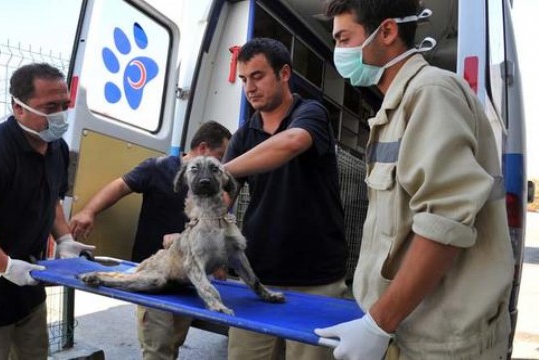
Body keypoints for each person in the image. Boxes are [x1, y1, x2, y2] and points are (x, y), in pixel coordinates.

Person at [314, 1, 514, 359]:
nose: (339, 52)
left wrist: (379, 323)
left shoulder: (430, 93)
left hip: (440, 342)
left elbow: (444, 221)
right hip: (407, 328)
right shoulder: (396, 107)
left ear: (387, 32)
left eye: (344, 39)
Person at [0, 63, 95, 360]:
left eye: (65, 105)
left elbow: (51, 201)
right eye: (50, 107)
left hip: (29, 291)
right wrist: (6, 266)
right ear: (18, 107)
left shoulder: (57, 149)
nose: (61, 115)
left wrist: (64, 240)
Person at [223, 37, 348, 360]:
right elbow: (222, 199)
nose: (249, 87)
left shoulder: (311, 114)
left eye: (258, 76)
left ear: (285, 73)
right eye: (243, 79)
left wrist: (218, 169)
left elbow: (290, 143)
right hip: (257, 279)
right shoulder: (243, 136)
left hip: (316, 280)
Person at [69, 121, 231, 360]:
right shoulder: (159, 168)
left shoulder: (212, 185)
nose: (223, 164)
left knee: (174, 343)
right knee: (158, 349)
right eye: (221, 156)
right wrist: (89, 211)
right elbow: (120, 186)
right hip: (153, 277)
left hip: (188, 279)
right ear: (204, 148)